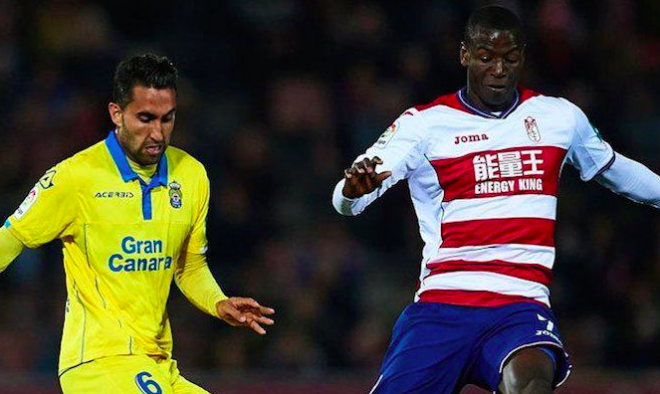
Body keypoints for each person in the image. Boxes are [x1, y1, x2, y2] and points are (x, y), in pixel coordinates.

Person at [332, 6, 660, 394]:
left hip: (520, 305)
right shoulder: (423, 124)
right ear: (465, 55)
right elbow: (349, 197)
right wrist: (353, 191)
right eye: (487, 57)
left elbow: (614, 169)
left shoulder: (558, 118)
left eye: (510, 58)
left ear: (522, 56)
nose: (499, 69)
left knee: (530, 381)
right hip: (442, 307)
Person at [0, 54, 275, 393]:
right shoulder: (75, 177)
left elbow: (189, 265)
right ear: (117, 113)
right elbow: (8, 241)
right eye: (145, 119)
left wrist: (218, 303)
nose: (158, 133)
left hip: (158, 364)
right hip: (98, 364)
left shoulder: (191, 175)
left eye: (167, 119)